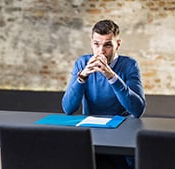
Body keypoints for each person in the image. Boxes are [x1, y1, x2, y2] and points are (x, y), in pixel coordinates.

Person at [62, 19, 146, 169]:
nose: (101, 51)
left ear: (117, 44)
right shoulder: (82, 63)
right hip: (90, 133)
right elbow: (68, 108)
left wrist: (111, 76)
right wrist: (82, 78)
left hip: (121, 133)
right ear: (91, 43)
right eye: (96, 44)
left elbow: (138, 110)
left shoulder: (129, 65)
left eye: (107, 44)